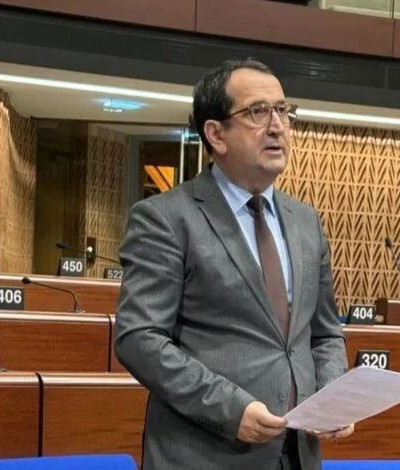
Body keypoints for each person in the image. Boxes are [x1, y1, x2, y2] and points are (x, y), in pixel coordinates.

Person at [114, 59, 352, 470]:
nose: (277, 127)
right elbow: (139, 339)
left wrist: (332, 396)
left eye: (283, 111)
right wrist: (229, 408)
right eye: (258, 112)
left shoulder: (305, 222)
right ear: (216, 134)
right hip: (206, 454)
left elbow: (325, 333)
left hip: (297, 455)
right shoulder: (166, 218)